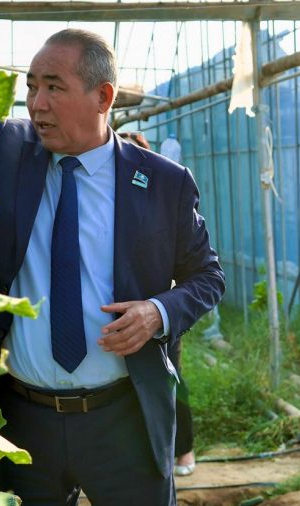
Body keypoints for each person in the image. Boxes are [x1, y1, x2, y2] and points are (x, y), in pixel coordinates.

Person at [0, 29, 225, 506]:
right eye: (32, 86)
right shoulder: (5, 151)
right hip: (24, 418)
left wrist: (157, 312)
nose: (37, 103)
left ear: (103, 97)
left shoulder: (162, 182)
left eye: (54, 87)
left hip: (124, 417)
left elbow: (207, 275)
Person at [118, 129, 198, 477]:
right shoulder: (107, 200)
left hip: (160, 312)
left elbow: (195, 267)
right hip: (121, 314)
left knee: (170, 378)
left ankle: (183, 450)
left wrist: (162, 309)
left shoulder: (165, 195)